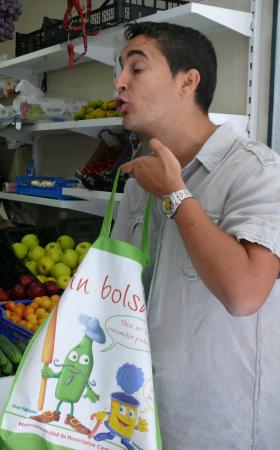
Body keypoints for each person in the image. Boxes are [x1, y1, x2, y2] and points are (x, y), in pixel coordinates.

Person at [111, 22, 280, 449]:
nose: (119, 83)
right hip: (140, 417)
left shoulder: (257, 172)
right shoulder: (137, 184)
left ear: (188, 81)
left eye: (137, 68)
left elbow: (243, 293)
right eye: (120, 69)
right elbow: (119, 289)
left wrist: (174, 193)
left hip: (222, 428)